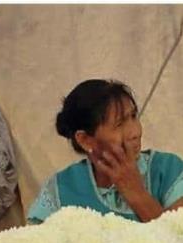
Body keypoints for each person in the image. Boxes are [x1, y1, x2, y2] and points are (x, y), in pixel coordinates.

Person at [28, 79, 183, 224]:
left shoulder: (168, 170)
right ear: (85, 140)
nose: (136, 132)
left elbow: (178, 240)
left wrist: (136, 192)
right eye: (119, 124)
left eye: (134, 116)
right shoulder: (61, 188)